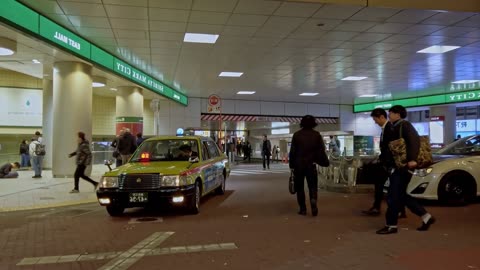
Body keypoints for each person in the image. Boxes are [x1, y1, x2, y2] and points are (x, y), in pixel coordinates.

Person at [377, 105, 435, 234]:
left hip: (403, 167)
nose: (389, 115)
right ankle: (426, 216)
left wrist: (412, 159)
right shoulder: (395, 126)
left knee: (393, 196)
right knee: (401, 195)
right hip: (397, 166)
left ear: (398, 114)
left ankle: (391, 225)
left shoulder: (405, 125)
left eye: (390, 113)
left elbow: (413, 142)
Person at [362, 108, 406, 218]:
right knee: (382, 185)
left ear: (381, 117)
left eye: (375, 119)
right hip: (386, 163)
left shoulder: (389, 128)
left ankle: (384, 209)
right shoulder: (386, 128)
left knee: (387, 186)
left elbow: (389, 147)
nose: (375, 122)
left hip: (389, 164)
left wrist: (384, 160)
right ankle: (381, 207)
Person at [289, 115, 329, 216]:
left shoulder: (297, 135)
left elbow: (292, 152)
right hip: (311, 165)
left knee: (300, 188)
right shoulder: (316, 135)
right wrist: (324, 162)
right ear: (313, 123)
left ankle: (303, 209)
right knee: (312, 186)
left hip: (298, 165)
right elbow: (321, 151)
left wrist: (291, 165)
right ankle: (313, 199)